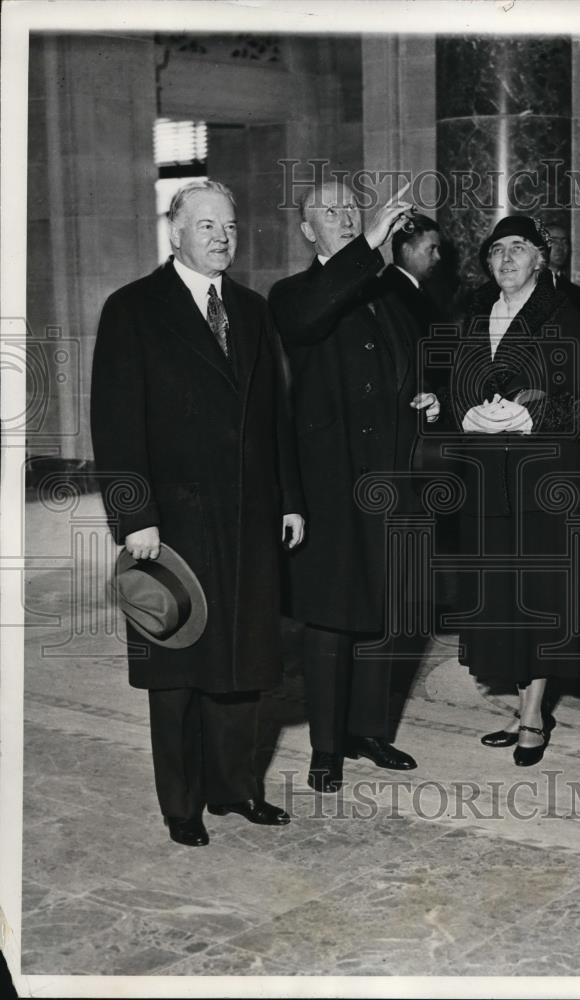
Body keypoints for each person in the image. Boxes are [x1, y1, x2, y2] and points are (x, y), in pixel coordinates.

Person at [91, 180, 305, 847]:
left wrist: (291, 500)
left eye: (230, 226)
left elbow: (277, 418)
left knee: (241, 663)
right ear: (175, 231)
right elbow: (115, 424)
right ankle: (181, 805)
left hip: (248, 516)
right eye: (206, 225)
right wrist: (135, 518)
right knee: (178, 664)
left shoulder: (251, 308)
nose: (221, 237)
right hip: (173, 523)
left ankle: (234, 789)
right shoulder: (132, 308)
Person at [269, 179, 439, 793]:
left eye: (351, 209)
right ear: (309, 231)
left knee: (386, 611)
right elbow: (315, 314)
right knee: (332, 619)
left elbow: (411, 366)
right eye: (329, 213)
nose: (343, 217)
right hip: (328, 486)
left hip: (391, 483)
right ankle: (325, 747)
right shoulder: (292, 294)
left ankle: (368, 731)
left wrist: (425, 397)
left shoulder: (390, 297)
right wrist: (368, 242)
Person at [448, 216, 580, 766]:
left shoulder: (563, 315)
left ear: (542, 258)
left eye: (519, 248)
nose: (507, 258)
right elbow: (453, 386)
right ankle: (523, 706)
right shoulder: (472, 315)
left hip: (544, 480)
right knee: (502, 596)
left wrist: (531, 416)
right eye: (497, 250)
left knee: (537, 596)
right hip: (488, 479)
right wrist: (460, 411)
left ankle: (535, 714)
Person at [381, 213, 442, 337]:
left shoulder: (420, 289)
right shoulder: (388, 293)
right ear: (407, 251)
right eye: (432, 249)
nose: (438, 257)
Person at [544, 221, 580, 314]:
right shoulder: (525, 286)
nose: (560, 247)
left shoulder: (576, 293)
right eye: (553, 241)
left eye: (564, 242)